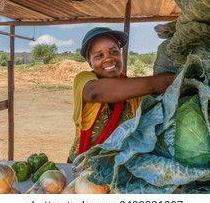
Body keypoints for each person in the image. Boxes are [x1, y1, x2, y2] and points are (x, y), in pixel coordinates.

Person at [68, 27, 175, 163]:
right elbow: (94, 92)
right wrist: (159, 82)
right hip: (80, 166)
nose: (109, 59)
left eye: (114, 52)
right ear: (89, 62)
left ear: (121, 54)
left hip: (116, 170)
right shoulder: (83, 80)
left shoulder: (136, 91)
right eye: (99, 56)